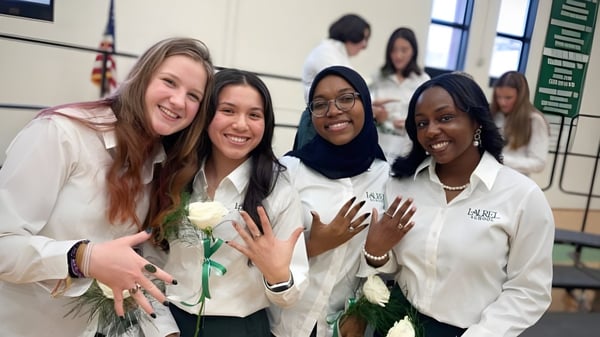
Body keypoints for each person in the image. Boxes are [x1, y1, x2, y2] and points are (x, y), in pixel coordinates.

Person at [0, 37, 215, 337]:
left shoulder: (160, 162)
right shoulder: (62, 132)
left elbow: (134, 262)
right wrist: (82, 258)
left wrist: (165, 330)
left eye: (193, 96)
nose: (179, 101)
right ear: (141, 79)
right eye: (169, 82)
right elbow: (4, 242)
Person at [360, 73, 554, 337]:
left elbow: (529, 291)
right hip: (396, 324)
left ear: (476, 121)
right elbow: (396, 264)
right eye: (421, 123)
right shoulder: (403, 185)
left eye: (445, 118)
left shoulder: (521, 196)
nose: (431, 130)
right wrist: (377, 253)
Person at [156, 68, 309, 337]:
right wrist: (163, 329)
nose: (241, 124)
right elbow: (151, 256)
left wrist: (277, 275)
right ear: (205, 115)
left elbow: (290, 296)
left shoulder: (277, 190)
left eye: (254, 115)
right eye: (228, 110)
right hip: (171, 322)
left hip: (241, 328)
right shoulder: (175, 177)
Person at [271, 65, 414, 337]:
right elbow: (260, 251)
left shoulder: (388, 177)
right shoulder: (289, 170)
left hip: (345, 326)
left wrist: (363, 307)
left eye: (346, 98)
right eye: (320, 104)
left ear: (366, 104)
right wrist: (312, 246)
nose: (333, 110)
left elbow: (396, 261)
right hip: (284, 323)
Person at [292, 13, 372, 150]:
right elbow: (345, 84)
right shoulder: (326, 52)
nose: (364, 45)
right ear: (352, 33)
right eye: (363, 38)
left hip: (330, 117)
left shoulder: (336, 53)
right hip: (318, 119)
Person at [369, 27, 430, 162]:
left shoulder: (423, 80)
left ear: (413, 51)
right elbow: (367, 109)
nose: (398, 55)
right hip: (379, 141)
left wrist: (411, 123)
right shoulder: (378, 77)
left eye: (404, 50)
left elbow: (428, 114)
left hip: (407, 145)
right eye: (394, 50)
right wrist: (377, 115)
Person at [490, 70, 550, 176]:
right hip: (490, 175)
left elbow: (538, 163)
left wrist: (501, 159)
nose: (502, 102)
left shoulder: (534, 119)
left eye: (508, 98)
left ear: (521, 96)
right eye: (499, 97)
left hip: (515, 179)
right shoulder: (494, 114)